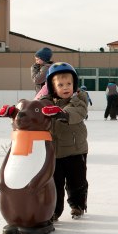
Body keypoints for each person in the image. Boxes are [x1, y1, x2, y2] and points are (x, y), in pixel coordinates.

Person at [39, 62, 89, 221]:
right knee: (55, 184)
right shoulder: (45, 102)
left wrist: (61, 114)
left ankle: (78, 205)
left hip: (76, 150)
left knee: (77, 182)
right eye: (60, 84)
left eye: (69, 83)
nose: (66, 87)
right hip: (54, 152)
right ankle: (54, 210)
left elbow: (77, 112)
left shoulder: (79, 98)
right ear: (52, 87)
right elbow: (32, 112)